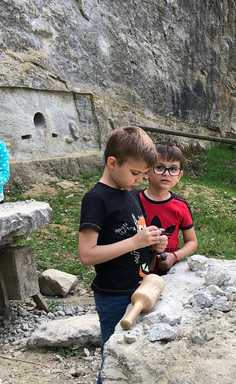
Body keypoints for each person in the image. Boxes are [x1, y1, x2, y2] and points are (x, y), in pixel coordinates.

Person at [78, 126, 167, 384]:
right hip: (113, 295)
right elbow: (87, 254)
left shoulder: (132, 193)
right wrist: (135, 241)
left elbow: (133, 234)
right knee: (114, 359)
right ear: (112, 163)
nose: (140, 180)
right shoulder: (96, 199)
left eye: (144, 174)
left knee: (132, 355)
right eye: (135, 173)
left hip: (139, 287)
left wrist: (152, 243)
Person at [139, 142, 198, 275]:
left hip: (168, 273)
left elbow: (192, 241)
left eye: (173, 169)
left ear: (179, 176)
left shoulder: (181, 206)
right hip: (134, 272)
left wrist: (175, 256)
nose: (166, 174)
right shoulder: (134, 201)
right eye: (160, 167)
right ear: (146, 172)